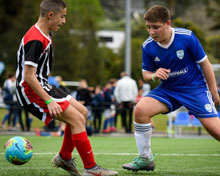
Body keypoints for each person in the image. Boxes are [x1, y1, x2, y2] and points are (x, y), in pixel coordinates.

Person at [15, 1, 118, 176]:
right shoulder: (35, 38)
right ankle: (91, 169)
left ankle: (64, 157)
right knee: (77, 120)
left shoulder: (45, 34)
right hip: (30, 89)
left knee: (83, 113)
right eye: (62, 16)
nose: (64, 21)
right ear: (50, 15)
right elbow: (28, 76)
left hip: (43, 84)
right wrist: (48, 100)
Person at [122, 5, 220, 172]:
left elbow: (205, 64)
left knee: (214, 130)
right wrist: (154, 75)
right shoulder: (147, 46)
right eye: (148, 27)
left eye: (156, 27)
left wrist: (213, 92)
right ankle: (145, 158)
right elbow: (146, 74)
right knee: (140, 110)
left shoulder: (186, 37)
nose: (151, 32)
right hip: (168, 90)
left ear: (168, 23)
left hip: (194, 89)